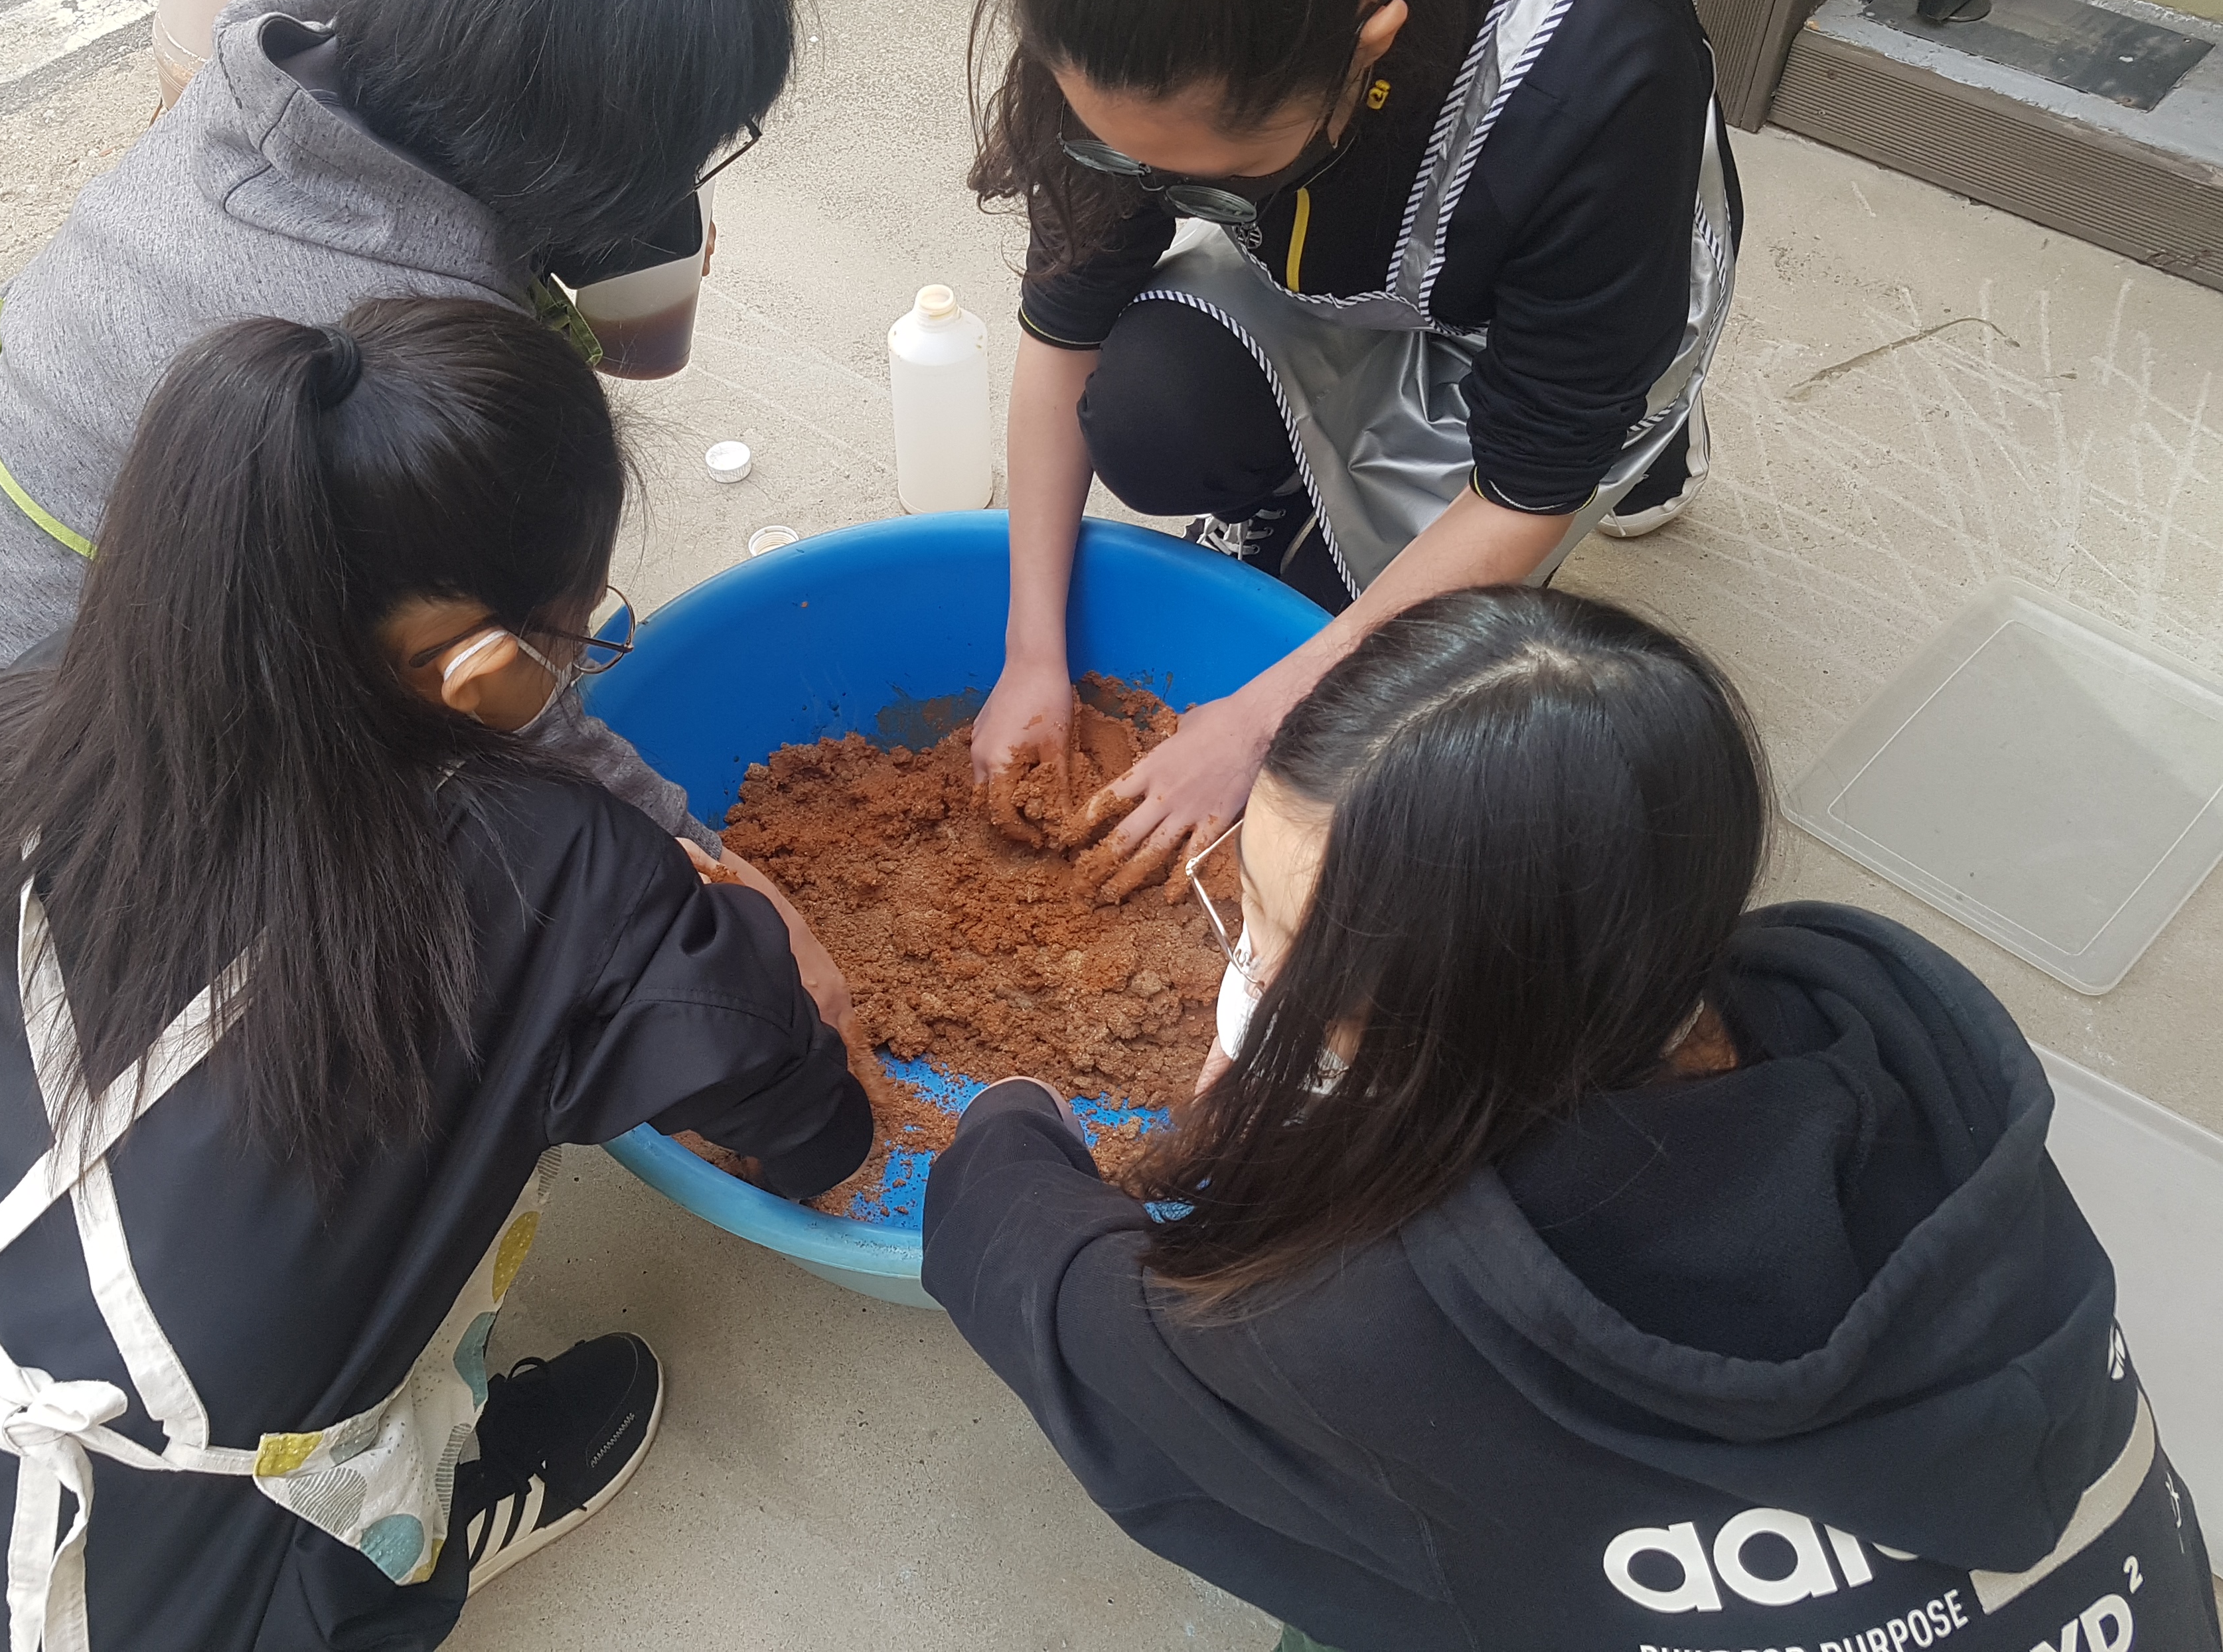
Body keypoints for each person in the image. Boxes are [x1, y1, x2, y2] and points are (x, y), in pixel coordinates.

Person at [0, 299, 871, 1651]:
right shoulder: (548, 875)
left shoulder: (26, 728)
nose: (578, 664)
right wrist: (798, 1025)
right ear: (485, 667)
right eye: (581, 633)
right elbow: (800, 1117)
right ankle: (402, 1551)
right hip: (176, 1587)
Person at [923, 585, 2220, 1652]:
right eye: (1248, 909)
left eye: (1301, 961)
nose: (1251, 973)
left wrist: (1007, 1127)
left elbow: (1086, 1333)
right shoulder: (1884, 1024)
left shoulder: (1372, 1329)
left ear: (1468, 1037)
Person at [966, 0, 1742, 891]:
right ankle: (1299, 485)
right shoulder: (1120, 1)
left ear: (1368, 44)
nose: (1144, 178)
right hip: (1342, 265)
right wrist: (1031, 654)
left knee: (1373, 704)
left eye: (1218, 165)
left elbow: (1527, 488)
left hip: (1562, 270)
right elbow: (1062, 338)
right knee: (1149, 412)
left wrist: (1257, 723)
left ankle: (1652, 439)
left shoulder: (1600, 70)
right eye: (1123, 152)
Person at [0, 0, 791, 850]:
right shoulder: (389, 342)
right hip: (43, 755)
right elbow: (511, 704)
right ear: (583, 164)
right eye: (684, 155)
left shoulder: (286, 77)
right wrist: (706, 862)